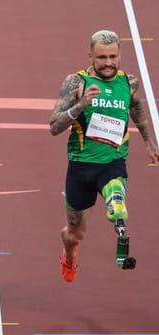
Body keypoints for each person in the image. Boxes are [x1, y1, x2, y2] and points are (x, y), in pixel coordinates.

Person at [49, 29, 159, 282]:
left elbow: (136, 107)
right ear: (91, 56)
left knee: (116, 196)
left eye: (113, 56)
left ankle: (116, 205)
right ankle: (69, 253)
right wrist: (81, 105)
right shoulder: (76, 83)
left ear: (120, 54)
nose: (108, 63)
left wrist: (149, 141)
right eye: (102, 58)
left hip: (113, 162)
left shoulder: (129, 82)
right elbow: (54, 127)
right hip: (80, 167)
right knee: (75, 234)